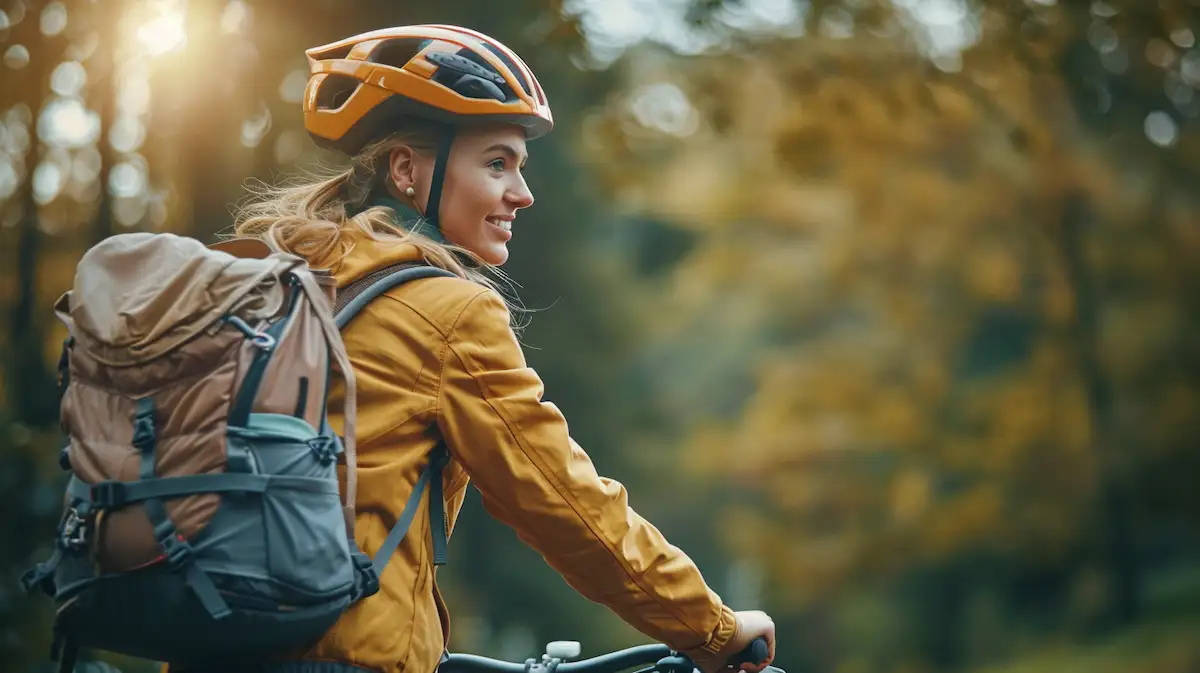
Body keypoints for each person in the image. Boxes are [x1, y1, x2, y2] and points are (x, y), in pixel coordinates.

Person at [225, 24, 777, 673]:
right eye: (496, 163)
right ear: (406, 170)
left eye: (520, 165)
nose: (523, 192)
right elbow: (562, 500)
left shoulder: (272, 282)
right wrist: (710, 627)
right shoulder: (447, 311)